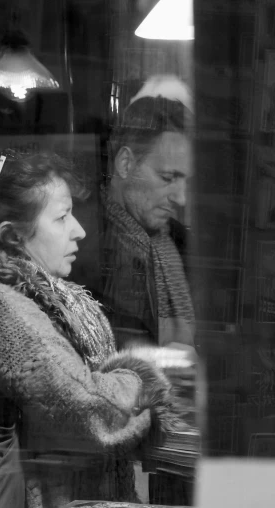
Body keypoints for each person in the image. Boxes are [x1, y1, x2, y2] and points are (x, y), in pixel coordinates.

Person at [0, 150, 183, 508]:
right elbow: (87, 412)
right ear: (12, 236)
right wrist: (146, 381)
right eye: (61, 217)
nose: (79, 230)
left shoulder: (45, 298)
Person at [71, 76, 196, 350]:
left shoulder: (178, 241)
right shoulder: (75, 241)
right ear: (126, 164)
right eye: (167, 177)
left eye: (186, 181)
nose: (181, 198)